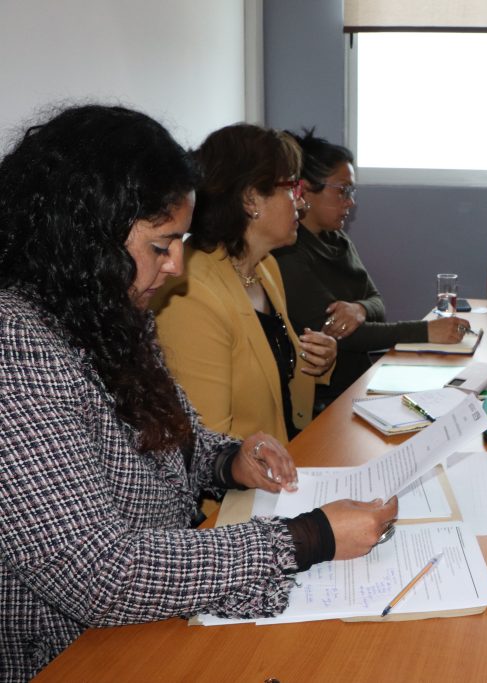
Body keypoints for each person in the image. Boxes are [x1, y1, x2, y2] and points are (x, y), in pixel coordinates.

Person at [0, 105, 397, 681]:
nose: (177, 266)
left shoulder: (106, 309)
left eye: (181, 242)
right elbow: (99, 573)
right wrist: (307, 537)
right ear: (86, 236)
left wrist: (225, 461)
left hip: (153, 611)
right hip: (69, 653)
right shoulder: (16, 345)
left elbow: (174, 436)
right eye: (161, 246)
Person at [151, 124, 338, 443]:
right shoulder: (191, 296)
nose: (301, 203)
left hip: (283, 452)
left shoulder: (265, 267)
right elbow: (209, 440)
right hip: (241, 472)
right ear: (251, 199)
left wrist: (320, 360)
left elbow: (273, 373)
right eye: (292, 188)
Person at [272, 129, 471, 407]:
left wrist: (360, 309)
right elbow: (338, 334)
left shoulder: (338, 240)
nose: (350, 201)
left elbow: (377, 302)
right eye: (343, 190)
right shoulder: (288, 253)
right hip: (325, 397)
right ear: (305, 190)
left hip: (360, 381)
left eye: (351, 191)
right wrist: (426, 331)